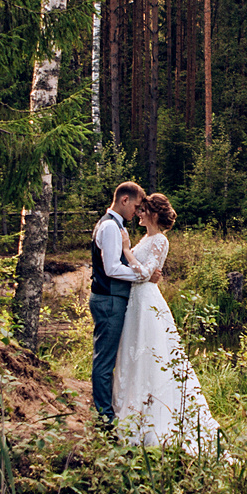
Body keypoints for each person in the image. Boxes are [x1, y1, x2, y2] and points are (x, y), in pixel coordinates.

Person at [111, 193, 221, 451]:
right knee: (135, 352)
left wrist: (128, 251)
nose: (138, 213)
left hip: (147, 301)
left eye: (143, 210)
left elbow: (145, 273)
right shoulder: (146, 238)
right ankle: (131, 407)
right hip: (135, 300)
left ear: (154, 214)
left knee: (152, 352)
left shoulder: (160, 239)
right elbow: (141, 270)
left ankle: (155, 418)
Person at [89, 180, 153, 425]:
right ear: (124, 200)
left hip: (112, 298)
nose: (137, 212)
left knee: (109, 358)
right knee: (104, 359)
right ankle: (104, 418)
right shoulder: (109, 227)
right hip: (108, 299)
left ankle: (107, 411)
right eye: (136, 206)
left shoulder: (116, 226)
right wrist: (142, 275)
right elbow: (112, 268)